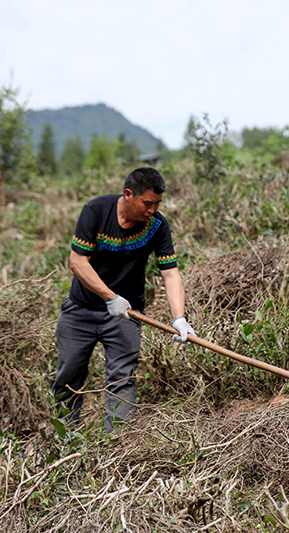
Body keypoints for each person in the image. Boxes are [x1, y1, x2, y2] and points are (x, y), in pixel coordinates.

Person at [53, 167, 195, 432]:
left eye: (157, 204)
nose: (152, 210)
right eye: (148, 203)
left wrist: (179, 317)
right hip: (80, 310)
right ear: (129, 195)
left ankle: (114, 447)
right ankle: (64, 440)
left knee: (122, 379)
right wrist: (110, 297)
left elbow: (171, 274)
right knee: (69, 377)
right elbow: (77, 262)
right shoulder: (96, 210)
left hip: (127, 314)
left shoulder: (157, 226)